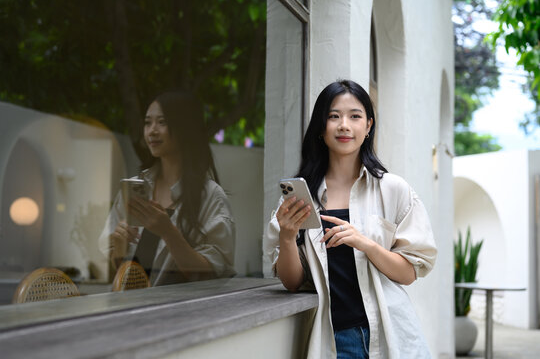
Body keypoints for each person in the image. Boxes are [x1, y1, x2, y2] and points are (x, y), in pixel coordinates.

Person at [264, 80, 437, 358]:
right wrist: (286, 236)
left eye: (355, 116)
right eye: (334, 116)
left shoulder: (393, 189)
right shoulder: (301, 196)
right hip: (333, 340)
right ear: (321, 128)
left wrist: (365, 244)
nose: (344, 125)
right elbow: (292, 282)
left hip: (389, 335)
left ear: (368, 126)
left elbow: (408, 273)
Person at [99, 91, 236, 286]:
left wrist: (168, 232)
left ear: (184, 127)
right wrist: (118, 249)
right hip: (128, 310)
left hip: (179, 313)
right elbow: (118, 274)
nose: (152, 131)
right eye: (148, 123)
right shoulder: (133, 189)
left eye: (162, 122)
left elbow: (211, 274)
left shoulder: (211, 197)